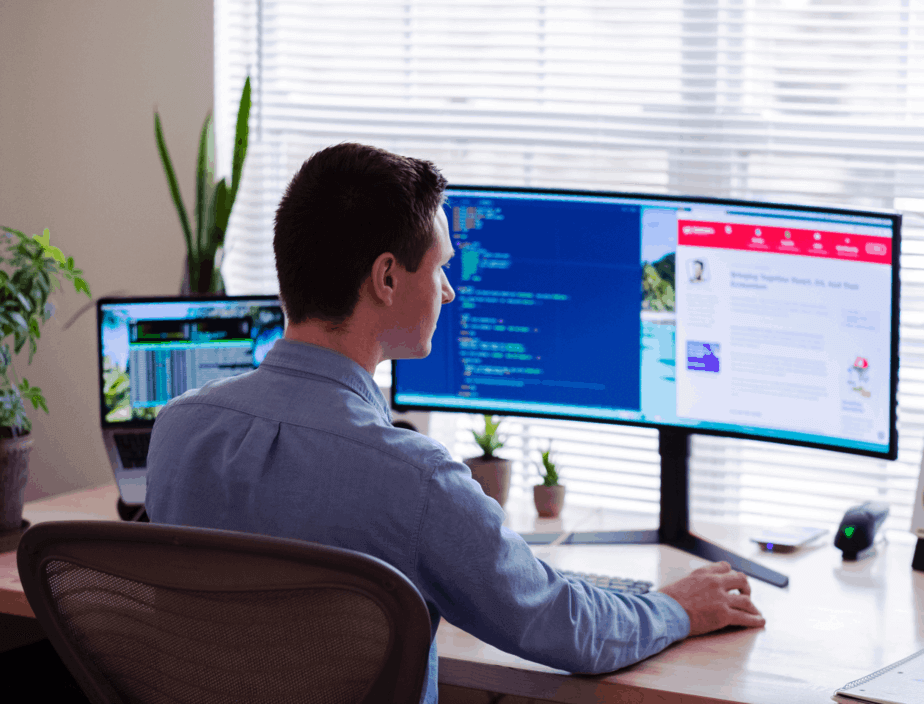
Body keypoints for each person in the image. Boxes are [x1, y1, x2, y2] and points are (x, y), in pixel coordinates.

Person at [145, 142, 765, 704]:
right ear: (387, 278)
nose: (448, 292)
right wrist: (675, 609)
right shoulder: (415, 479)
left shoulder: (177, 431)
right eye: (439, 267)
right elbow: (560, 624)